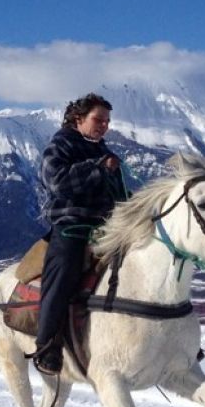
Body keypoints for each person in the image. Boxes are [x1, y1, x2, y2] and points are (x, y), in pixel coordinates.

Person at [32, 93, 126, 376]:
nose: (104, 126)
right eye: (99, 120)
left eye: (107, 121)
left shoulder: (101, 149)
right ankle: (47, 344)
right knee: (64, 270)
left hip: (106, 227)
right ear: (78, 119)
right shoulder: (61, 144)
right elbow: (56, 182)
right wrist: (97, 168)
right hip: (72, 225)